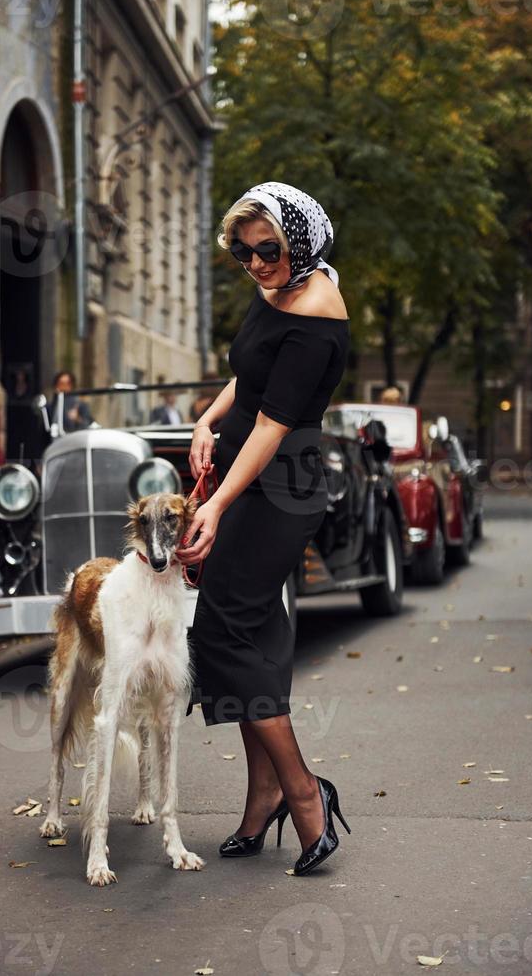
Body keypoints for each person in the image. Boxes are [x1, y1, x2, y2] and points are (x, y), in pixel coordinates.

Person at [175, 181, 351, 877]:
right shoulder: (279, 290)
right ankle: (264, 792)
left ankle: (304, 792)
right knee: (247, 630)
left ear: (300, 241)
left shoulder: (315, 314)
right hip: (248, 478)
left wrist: (215, 505)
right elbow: (249, 377)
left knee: (229, 629)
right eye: (243, 253)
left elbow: (275, 422)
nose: (256, 263)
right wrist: (206, 420)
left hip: (280, 485)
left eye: (268, 250)